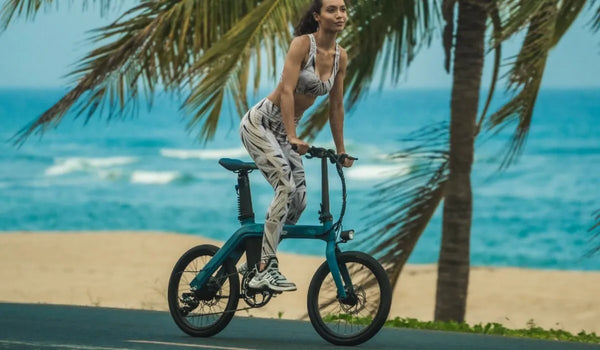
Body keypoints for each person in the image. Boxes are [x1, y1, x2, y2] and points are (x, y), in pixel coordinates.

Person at [239, 0, 353, 292]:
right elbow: (287, 91)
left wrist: (340, 150)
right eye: (332, 9)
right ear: (317, 16)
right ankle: (265, 267)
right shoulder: (302, 45)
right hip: (261, 124)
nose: (339, 14)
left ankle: (255, 260)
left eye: (342, 9)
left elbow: (336, 105)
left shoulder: (341, 56)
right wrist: (291, 136)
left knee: (299, 200)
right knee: (286, 187)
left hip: (286, 132)